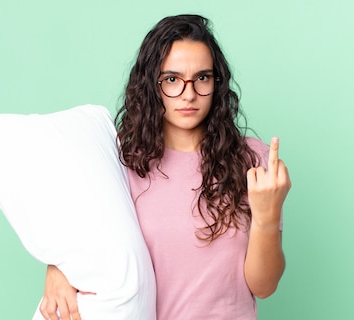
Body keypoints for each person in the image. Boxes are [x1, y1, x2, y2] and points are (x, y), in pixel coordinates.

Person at [40, 14, 291, 320]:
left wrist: (267, 217)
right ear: (151, 84)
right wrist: (57, 269)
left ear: (217, 83)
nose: (189, 94)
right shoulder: (123, 162)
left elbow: (263, 286)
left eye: (202, 78)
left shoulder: (252, 161)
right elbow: (86, 242)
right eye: (172, 79)